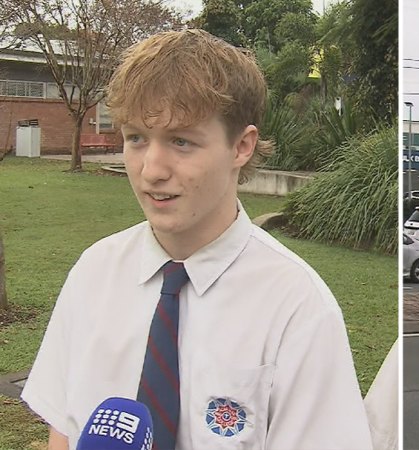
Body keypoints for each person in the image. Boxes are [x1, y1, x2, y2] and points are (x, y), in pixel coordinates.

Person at [21, 29, 373, 450]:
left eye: (181, 141)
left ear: (241, 146)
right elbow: (62, 423)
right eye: (136, 138)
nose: (151, 169)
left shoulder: (298, 308)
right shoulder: (94, 271)